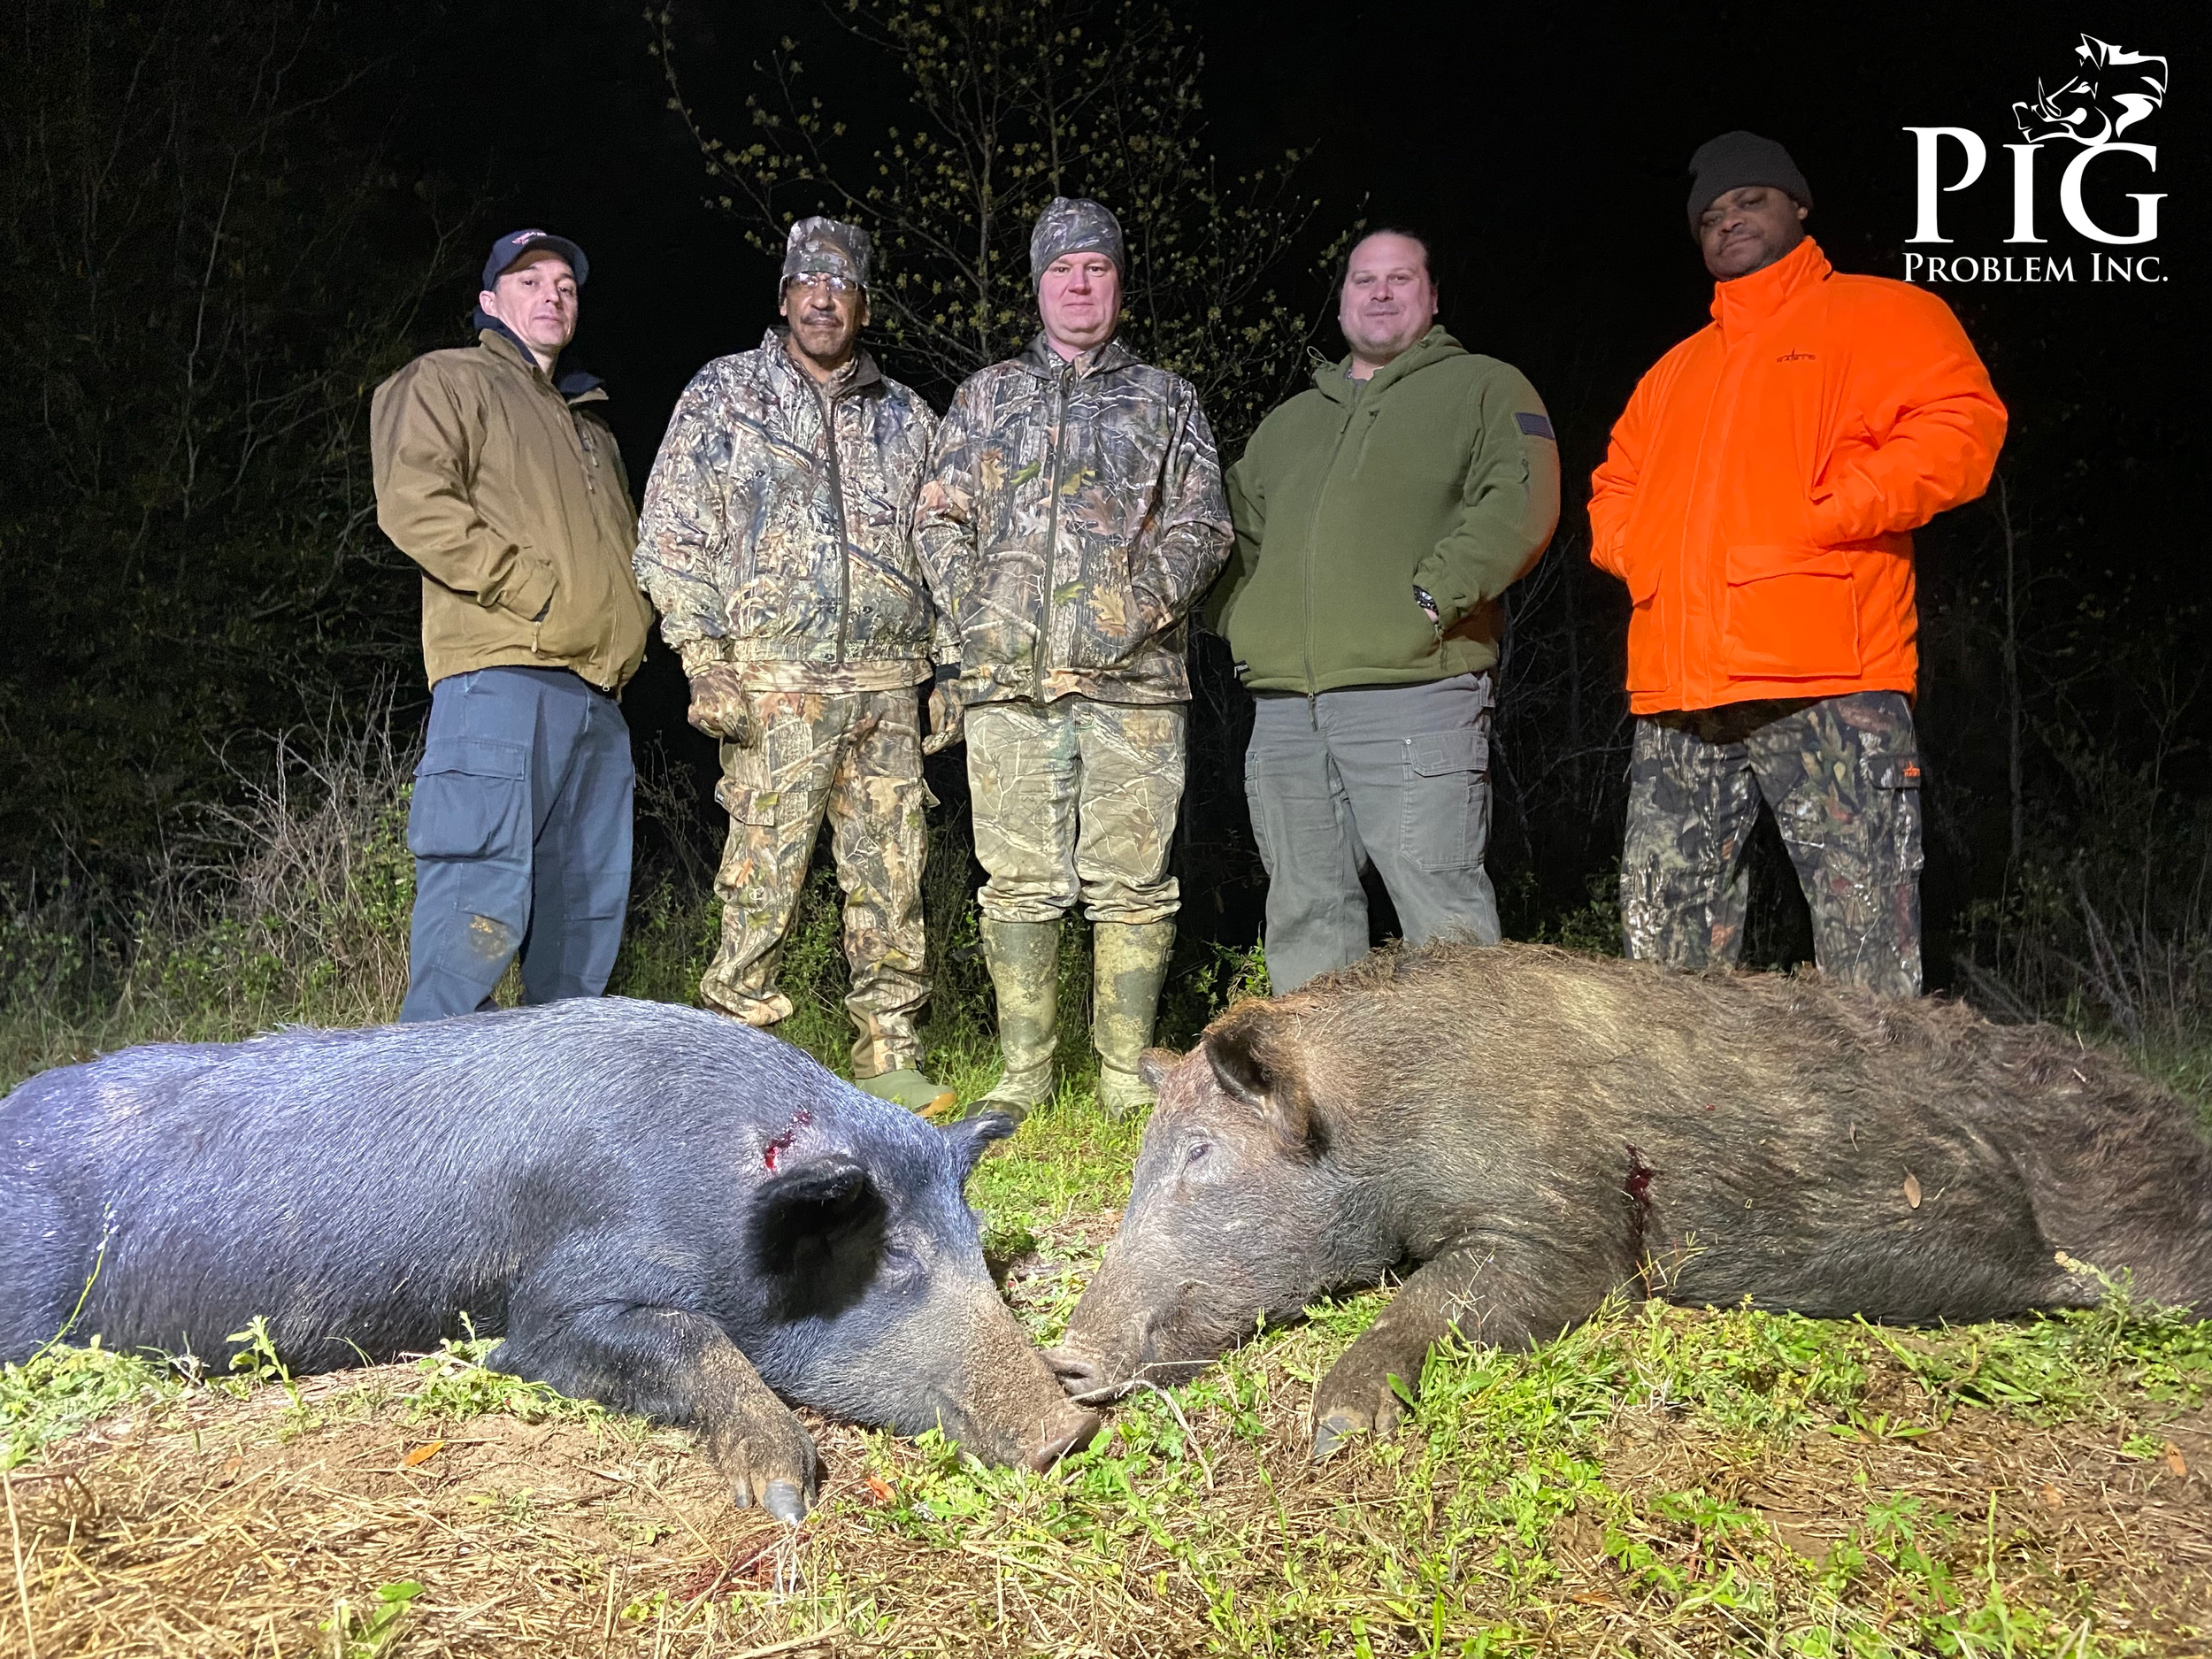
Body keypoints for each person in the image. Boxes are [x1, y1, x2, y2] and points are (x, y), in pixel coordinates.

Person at [1588, 133, 2007, 995]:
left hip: (1831, 681)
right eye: (1711, 214)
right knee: (1662, 967)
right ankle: (1684, 1128)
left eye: (1749, 201)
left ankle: (1881, 1130)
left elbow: (1962, 427)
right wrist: (1644, 559)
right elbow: (1612, 490)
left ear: (1797, 207)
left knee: (1866, 958)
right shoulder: (1671, 373)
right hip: (1679, 701)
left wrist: (1830, 512)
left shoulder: (1881, 313)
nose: (1729, 221)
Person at [915, 196, 1233, 1118]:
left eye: (1097, 268)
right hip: (1008, 682)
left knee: (1131, 884)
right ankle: (1025, 1075)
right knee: (1017, 884)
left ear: (1119, 284)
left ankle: (1122, 1075)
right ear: (1037, 283)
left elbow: (1203, 526)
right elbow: (937, 514)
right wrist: (977, 613)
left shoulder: (1166, 400)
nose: (1080, 283)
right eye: (1062, 269)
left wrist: (1124, 612)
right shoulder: (985, 396)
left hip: (1134, 683)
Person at [634, 218, 955, 1116]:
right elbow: (672, 537)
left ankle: (890, 1051)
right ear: (783, 299)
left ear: (860, 302)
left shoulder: (907, 416)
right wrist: (703, 658)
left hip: (888, 683)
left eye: (841, 284)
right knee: (761, 877)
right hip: (773, 678)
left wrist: (949, 666)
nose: (823, 298)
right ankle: (740, 1057)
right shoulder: (725, 394)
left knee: (891, 877)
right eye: (807, 284)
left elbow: (944, 548)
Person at [1212, 228, 1561, 993]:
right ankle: (1325, 1102)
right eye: (1362, 280)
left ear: (1431, 298)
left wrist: (1432, 598)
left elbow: (1521, 501)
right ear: (1340, 303)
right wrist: (1246, 618)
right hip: (1286, 711)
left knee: (1443, 916)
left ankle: (1472, 1103)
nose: (1379, 292)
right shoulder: (1290, 423)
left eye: (1398, 278)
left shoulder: (1485, 387)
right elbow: (1232, 533)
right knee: (1304, 910)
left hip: (1416, 694)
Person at [373, 229, 654, 1022]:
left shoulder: (589, 423)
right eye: (530, 280)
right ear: (492, 302)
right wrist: (529, 590)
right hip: (502, 678)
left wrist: (634, 624)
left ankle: (548, 1136)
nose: (553, 294)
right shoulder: (447, 379)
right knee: (473, 911)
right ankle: (421, 1132)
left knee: (582, 927)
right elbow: (414, 504)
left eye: (566, 283)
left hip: (599, 701)